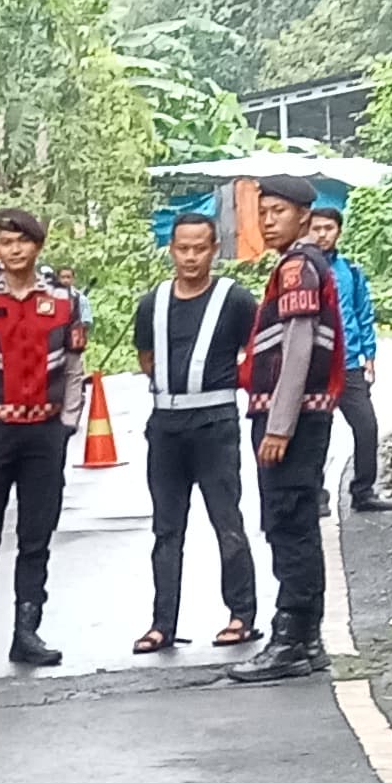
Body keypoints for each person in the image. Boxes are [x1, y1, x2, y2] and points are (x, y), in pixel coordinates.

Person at [0, 206, 84, 674]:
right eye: (6, 243)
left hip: (44, 432)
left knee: (36, 535)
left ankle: (26, 633)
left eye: (22, 242)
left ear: (37, 247)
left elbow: (73, 366)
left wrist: (67, 424)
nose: (14, 250)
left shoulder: (65, 300)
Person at [233, 174, 345, 680]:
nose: (268, 220)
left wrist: (279, 424)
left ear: (304, 214)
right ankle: (308, 638)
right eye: (263, 212)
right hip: (300, 415)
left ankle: (289, 640)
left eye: (277, 211)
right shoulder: (297, 265)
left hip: (292, 419)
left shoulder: (299, 267)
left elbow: (299, 348)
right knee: (296, 522)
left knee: (287, 523)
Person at [130, 204, 256, 654]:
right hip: (166, 426)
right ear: (170, 250)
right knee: (167, 529)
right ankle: (162, 623)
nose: (190, 258)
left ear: (214, 250)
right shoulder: (152, 304)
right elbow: (147, 359)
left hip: (216, 424)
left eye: (199, 249)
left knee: (227, 521)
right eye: (182, 249)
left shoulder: (236, 300)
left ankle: (242, 615)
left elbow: (255, 351)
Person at [305, 197, 385, 516]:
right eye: (317, 229)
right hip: (315, 366)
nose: (323, 234)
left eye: (329, 228)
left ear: (339, 231)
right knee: (316, 434)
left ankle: (363, 490)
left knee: (367, 427)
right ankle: (315, 494)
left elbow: (362, 313)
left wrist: (370, 355)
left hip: (350, 364)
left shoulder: (350, 270)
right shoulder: (302, 269)